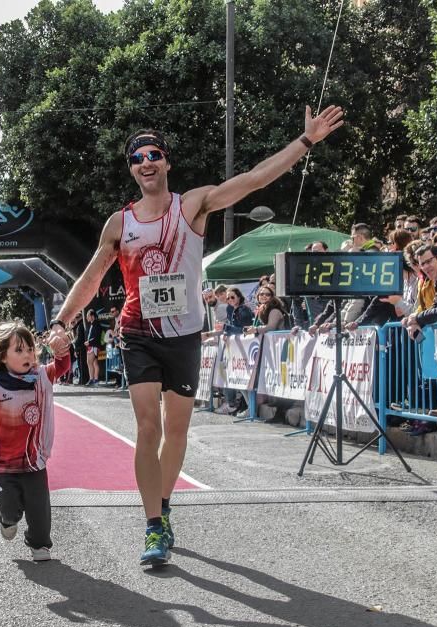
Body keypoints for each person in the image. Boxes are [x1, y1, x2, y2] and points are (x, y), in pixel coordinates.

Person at [46, 104, 344, 565]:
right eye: (137, 158)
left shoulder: (193, 204)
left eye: (153, 155)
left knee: (176, 429)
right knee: (148, 426)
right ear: (132, 169)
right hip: (137, 330)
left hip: (183, 333)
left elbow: (254, 180)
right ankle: (151, 525)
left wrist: (305, 142)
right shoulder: (119, 224)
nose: (146, 162)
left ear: (166, 162)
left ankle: (162, 509)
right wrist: (62, 322)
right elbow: (89, 277)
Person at [0, 323, 71, 562]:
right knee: (11, 511)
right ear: (3, 357)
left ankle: (39, 544)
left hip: (35, 460)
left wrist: (61, 349)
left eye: (31, 350)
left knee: (39, 509)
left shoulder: (41, 377)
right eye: (20, 350)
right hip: (5, 463)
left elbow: (63, 366)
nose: (28, 355)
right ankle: (5, 518)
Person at [84, 309, 102, 385]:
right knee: (94, 363)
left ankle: (92, 379)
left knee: (89, 362)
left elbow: (96, 337)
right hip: (92, 346)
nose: (87, 318)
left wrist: (89, 342)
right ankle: (96, 379)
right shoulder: (93, 324)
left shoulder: (96, 325)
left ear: (92, 316)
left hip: (93, 346)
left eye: (88, 316)